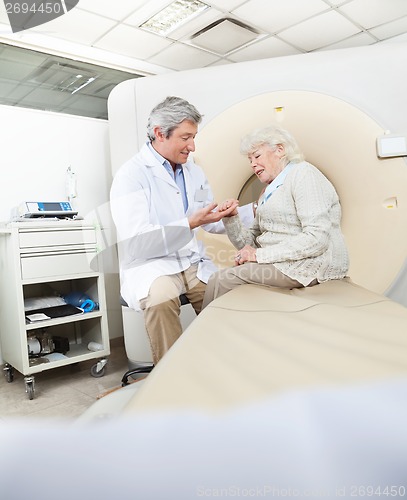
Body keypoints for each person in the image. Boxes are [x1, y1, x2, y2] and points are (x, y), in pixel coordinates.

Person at [110, 96, 254, 364]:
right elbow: (137, 241)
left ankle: (223, 365)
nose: (192, 146)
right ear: (159, 134)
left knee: (227, 292)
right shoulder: (131, 175)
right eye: (186, 137)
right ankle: (171, 377)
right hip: (151, 264)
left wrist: (248, 212)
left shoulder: (193, 171)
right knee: (161, 299)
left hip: (191, 261)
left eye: (194, 137)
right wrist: (189, 223)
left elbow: (207, 221)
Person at [202, 125, 349, 307]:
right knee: (219, 278)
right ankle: (213, 332)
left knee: (223, 279)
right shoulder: (268, 191)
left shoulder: (304, 174)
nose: (253, 164)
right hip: (281, 262)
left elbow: (317, 238)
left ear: (280, 150)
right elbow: (251, 243)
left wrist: (259, 255)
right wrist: (232, 218)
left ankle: (208, 334)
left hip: (308, 265)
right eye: (250, 160)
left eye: (257, 156)